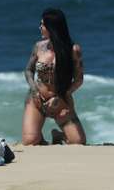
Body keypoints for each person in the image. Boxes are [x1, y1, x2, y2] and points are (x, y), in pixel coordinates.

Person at [22, 8, 86, 145]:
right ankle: (38, 136)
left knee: (78, 142)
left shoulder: (73, 50)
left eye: (43, 25)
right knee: (30, 141)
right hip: (37, 100)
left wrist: (62, 96)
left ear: (52, 27)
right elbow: (28, 70)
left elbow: (79, 79)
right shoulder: (38, 47)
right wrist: (34, 90)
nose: (40, 27)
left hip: (60, 101)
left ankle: (58, 135)